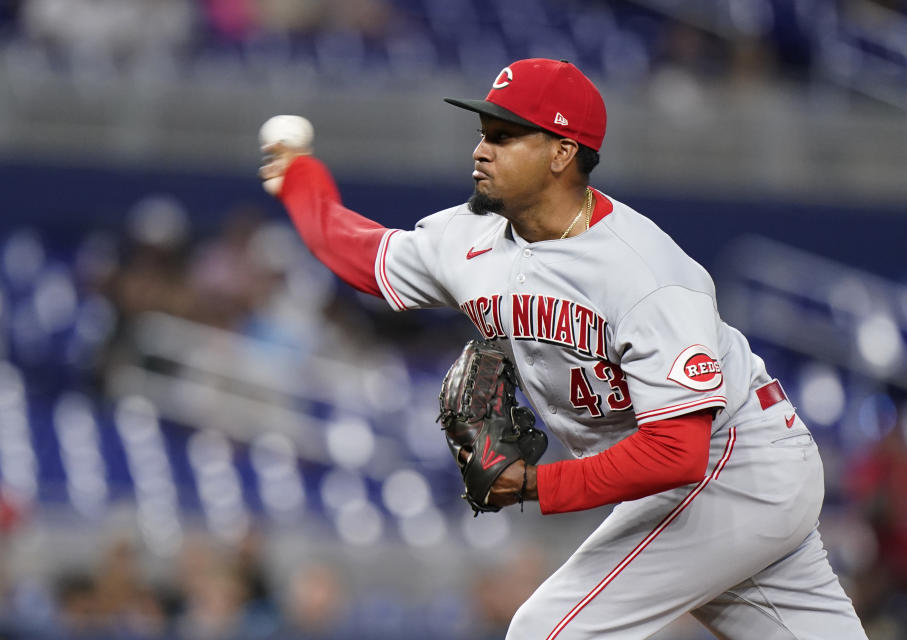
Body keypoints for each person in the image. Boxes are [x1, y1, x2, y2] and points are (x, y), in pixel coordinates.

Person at [259, 58, 867, 639]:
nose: (479, 150)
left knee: (546, 631)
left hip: (733, 467)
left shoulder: (645, 272)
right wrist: (300, 181)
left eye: (504, 136)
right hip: (707, 483)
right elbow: (360, 253)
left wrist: (532, 485)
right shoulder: (469, 237)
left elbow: (678, 453)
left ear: (562, 152)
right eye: (482, 132)